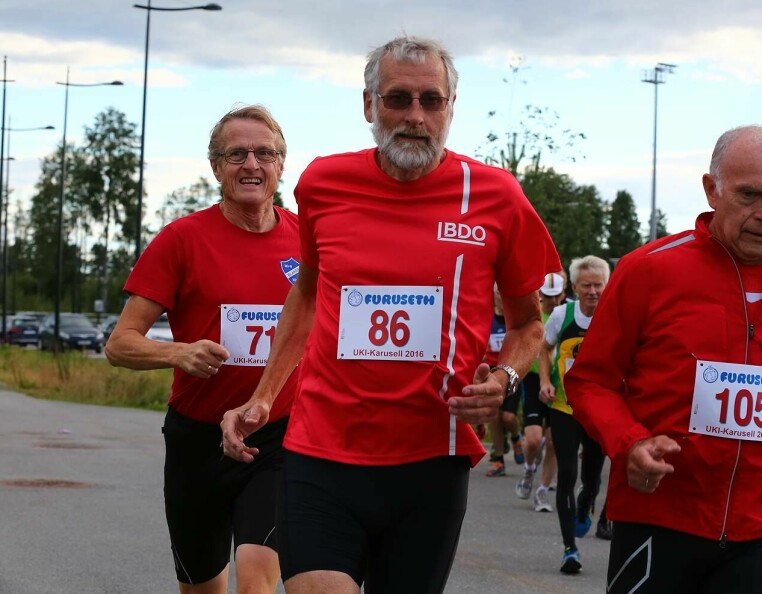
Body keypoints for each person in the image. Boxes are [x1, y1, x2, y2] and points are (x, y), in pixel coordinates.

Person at [220, 35, 560, 594]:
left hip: (431, 457)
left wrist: (505, 378)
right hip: (320, 448)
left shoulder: (497, 195)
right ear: (369, 106)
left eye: (432, 100)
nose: (415, 117)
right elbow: (306, 296)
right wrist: (262, 396)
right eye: (398, 99)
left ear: (451, 107)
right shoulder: (324, 183)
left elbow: (527, 322)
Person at [565, 124, 762, 593]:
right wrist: (630, 443)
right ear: (711, 190)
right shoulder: (648, 270)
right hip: (660, 516)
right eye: (750, 194)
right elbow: (591, 381)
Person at [104, 105, 298, 594]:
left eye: (264, 153)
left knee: (256, 578)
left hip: (277, 434)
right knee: (201, 588)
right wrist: (178, 353)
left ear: (280, 164)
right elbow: (119, 344)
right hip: (198, 440)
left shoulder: (308, 239)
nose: (251, 164)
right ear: (215, 167)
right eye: (236, 154)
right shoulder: (181, 241)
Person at [540, 255, 609, 574]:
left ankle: (588, 500)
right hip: (565, 407)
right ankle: (570, 549)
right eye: (586, 285)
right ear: (575, 287)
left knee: (591, 478)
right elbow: (545, 348)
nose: (593, 291)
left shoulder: (614, 314)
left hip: (599, 409)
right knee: (567, 475)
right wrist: (543, 381)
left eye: (598, 285)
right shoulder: (560, 314)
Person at [515, 271, 566, 511]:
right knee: (534, 440)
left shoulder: (566, 315)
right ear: (540, 294)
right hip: (534, 380)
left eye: (557, 296)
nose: (553, 301)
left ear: (564, 293)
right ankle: (528, 469)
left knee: (555, 442)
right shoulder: (533, 315)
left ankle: (543, 491)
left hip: (560, 381)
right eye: (548, 296)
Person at [485, 285, 525, 477]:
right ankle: (499, 460)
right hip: (491, 373)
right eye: (498, 293)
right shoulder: (487, 317)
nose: (501, 297)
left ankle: (516, 438)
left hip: (511, 372)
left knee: (508, 417)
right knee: (494, 415)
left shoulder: (514, 317)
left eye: (504, 293)